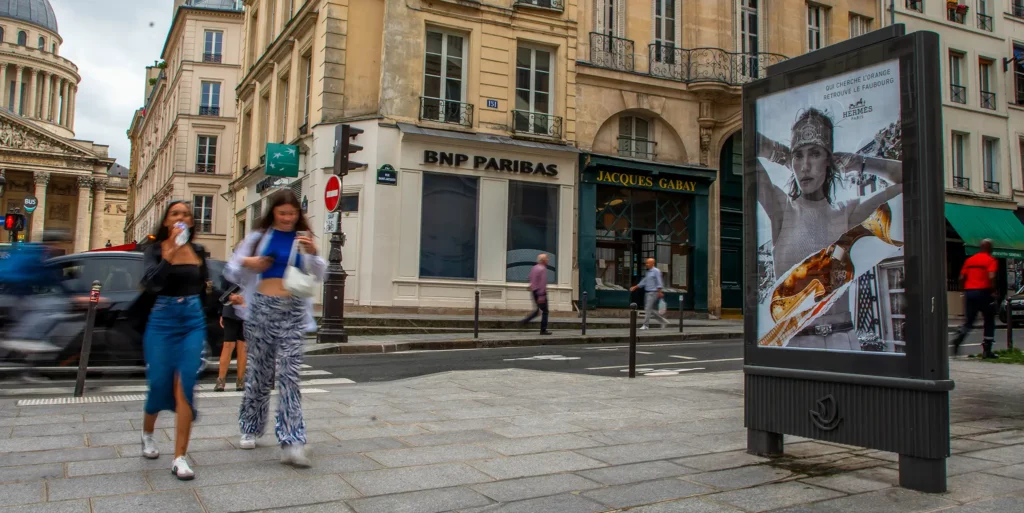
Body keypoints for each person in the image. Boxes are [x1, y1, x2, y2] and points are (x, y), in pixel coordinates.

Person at [756, 108, 902, 350]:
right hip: (794, 343)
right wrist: (780, 155)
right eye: (798, 156)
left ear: (829, 160)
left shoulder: (848, 213)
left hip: (842, 341)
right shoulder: (781, 210)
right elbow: (745, 141)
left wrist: (858, 163)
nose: (804, 166)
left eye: (814, 154)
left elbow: (910, 179)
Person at [227, 189, 324, 467]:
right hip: (261, 308)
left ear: (298, 215)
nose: (287, 218)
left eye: (292, 214)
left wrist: (314, 254)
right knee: (259, 371)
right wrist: (250, 262)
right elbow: (232, 269)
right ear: (273, 213)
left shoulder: (303, 238)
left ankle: (293, 440)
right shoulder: (259, 237)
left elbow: (318, 274)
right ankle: (250, 426)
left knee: (289, 375)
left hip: (292, 310)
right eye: (282, 213)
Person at [138, 201, 210, 481]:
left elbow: (204, 288)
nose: (181, 218)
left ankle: (180, 457)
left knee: (186, 386)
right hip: (162, 319)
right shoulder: (154, 250)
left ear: (192, 222)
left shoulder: (199, 251)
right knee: (158, 383)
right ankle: (147, 433)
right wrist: (170, 254)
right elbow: (151, 284)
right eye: (175, 214)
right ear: (167, 221)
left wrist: (216, 312)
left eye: (186, 215)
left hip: (192, 321)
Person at [951, 239, 999, 358]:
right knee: (989, 319)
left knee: (969, 321)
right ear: (989, 249)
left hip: (970, 292)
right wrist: (993, 291)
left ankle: (960, 337)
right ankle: (987, 350)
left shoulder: (970, 260)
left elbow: (961, 277)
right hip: (984, 292)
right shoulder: (991, 260)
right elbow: (991, 276)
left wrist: (964, 290)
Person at [215, 271, 246, 392]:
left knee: (243, 347)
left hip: (245, 311)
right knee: (228, 345)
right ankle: (220, 381)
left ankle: (240, 381)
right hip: (230, 312)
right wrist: (221, 313)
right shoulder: (229, 273)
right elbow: (222, 294)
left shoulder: (252, 272)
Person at [631, 258, 667, 330]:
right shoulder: (648, 272)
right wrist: (636, 287)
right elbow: (644, 281)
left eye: (648, 263)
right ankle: (663, 321)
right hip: (647, 293)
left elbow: (659, 282)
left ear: (652, 264)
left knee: (648, 308)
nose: (646, 264)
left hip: (653, 292)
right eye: (646, 263)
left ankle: (646, 325)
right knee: (649, 309)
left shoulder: (656, 271)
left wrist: (659, 291)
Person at [520, 254, 552, 335]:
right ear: (543, 260)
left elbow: (529, 277)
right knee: (545, 311)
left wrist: (532, 285)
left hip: (534, 291)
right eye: (547, 259)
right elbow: (542, 283)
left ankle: (525, 321)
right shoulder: (543, 269)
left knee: (538, 310)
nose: (548, 260)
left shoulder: (535, 267)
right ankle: (543, 330)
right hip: (541, 292)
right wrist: (542, 296)